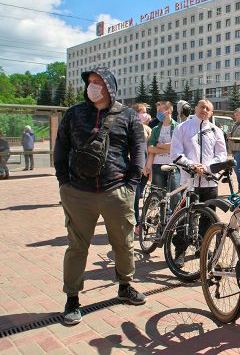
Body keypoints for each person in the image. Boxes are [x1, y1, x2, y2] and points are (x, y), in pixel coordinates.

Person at [54, 66, 146, 326]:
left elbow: (138, 148)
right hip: (78, 193)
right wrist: (63, 182)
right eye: (89, 82)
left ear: (109, 86)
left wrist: (132, 182)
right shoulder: (74, 114)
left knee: (124, 243)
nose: (91, 86)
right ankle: (72, 298)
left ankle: (125, 286)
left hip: (116, 190)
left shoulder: (127, 115)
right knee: (76, 247)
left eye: (97, 82)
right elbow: (61, 146)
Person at [170, 99, 227, 265]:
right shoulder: (183, 128)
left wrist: (206, 167)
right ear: (195, 108)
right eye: (202, 107)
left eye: (208, 108)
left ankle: (202, 248)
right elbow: (176, 153)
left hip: (210, 182)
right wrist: (192, 165)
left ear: (212, 113)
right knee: (185, 218)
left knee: (208, 218)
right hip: (190, 181)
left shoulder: (216, 131)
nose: (205, 110)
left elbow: (222, 155)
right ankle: (179, 251)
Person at [146, 101, 179, 210]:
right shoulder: (156, 129)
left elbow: (176, 146)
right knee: (158, 197)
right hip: (157, 165)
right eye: (157, 111)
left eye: (160, 111)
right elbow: (150, 148)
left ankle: (174, 220)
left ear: (168, 111)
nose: (158, 114)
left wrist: (159, 145)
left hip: (173, 166)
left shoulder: (178, 128)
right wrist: (148, 166)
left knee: (175, 196)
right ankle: (161, 220)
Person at [132, 103, 153, 233]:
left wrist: (148, 166)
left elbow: (150, 150)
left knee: (139, 194)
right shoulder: (131, 128)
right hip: (134, 167)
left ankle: (137, 221)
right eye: (142, 112)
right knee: (134, 196)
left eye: (146, 112)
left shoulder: (148, 129)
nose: (145, 114)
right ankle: (137, 223)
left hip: (145, 167)